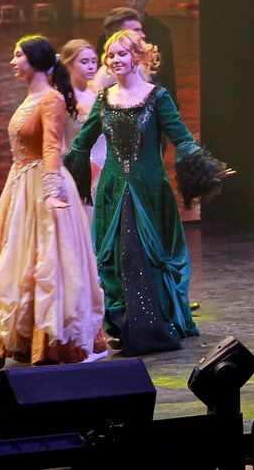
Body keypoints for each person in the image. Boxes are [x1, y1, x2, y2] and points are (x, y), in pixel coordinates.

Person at [64, 30, 229, 356]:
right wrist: (63, 176)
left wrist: (207, 170)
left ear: (137, 57)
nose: (115, 60)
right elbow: (81, 145)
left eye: (122, 54)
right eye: (111, 55)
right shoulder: (104, 99)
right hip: (113, 191)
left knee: (148, 257)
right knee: (115, 259)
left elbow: (182, 139)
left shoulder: (157, 97)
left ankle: (154, 325)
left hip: (149, 190)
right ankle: (124, 326)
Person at [0, 36, 106, 368]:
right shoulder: (30, 98)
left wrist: (53, 191)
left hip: (43, 185)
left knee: (47, 265)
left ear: (35, 60)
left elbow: (52, 147)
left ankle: (53, 345)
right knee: (12, 262)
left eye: (18, 55)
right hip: (20, 185)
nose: (13, 61)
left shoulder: (51, 99)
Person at [96, 0, 177, 102]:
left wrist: (171, 102)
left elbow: (168, 73)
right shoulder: (107, 46)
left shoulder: (161, 32)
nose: (134, 3)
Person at [59, 39, 106, 185]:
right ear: (69, 65)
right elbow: (58, 142)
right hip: (80, 168)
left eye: (93, 61)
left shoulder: (98, 93)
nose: (91, 66)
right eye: (84, 62)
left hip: (106, 164)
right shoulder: (62, 98)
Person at [92, 8, 148, 91]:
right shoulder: (108, 74)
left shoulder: (139, 66)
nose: (143, 35)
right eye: (136, 31)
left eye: (141, 30)